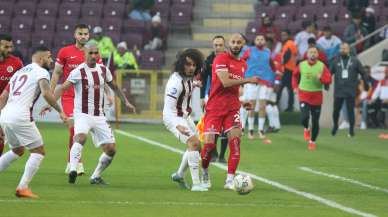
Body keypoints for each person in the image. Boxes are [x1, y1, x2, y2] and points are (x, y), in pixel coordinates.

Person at [50, 41, 135, 185]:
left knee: (111, 150)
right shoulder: (78, 71)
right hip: (82, 114)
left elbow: (114, 86)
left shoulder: (103, 70)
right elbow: (62, 88)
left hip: (99, 116)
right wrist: (51, 103)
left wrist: (125, 101)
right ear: (85, 54)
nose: (94, 56)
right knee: (81, 138)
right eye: (91, 53)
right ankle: (73, 168)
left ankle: (95, 176)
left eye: (96, 53)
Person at [0, 46, 67, 198]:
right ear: (41, 59)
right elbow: (46, 93)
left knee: (18, 150)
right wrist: (60, 111)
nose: (51, 60)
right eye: (49, 57)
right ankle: (22, 187)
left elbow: (3, 97)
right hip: (20, 116)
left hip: (5, 115)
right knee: (39, 152)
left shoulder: (19, 72)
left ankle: (22, 187)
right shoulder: (41, 72)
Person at [200, 33, 259, 190]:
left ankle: (230, 180)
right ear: (229, 44)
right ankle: (204, 172)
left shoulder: (243, 65)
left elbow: (232, 91)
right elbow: (225, 83)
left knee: (235, 143)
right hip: (214, 108)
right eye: (233, 42)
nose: (235, 44)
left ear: (243, 45)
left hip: (232, 108)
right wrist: (248, 80)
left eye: (239, 42)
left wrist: (241, 102)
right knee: (208, 147)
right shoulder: (220, 59)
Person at [51, 24, 96, 175]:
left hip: (86, 97)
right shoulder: (65, 52)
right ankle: (76, 163)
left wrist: (107, 93)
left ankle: (71, 163)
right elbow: (57, 73)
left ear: (88, 36)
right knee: (73, 128)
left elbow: (100, 74)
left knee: (82, 131)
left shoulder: (93, 52)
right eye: (80, 33)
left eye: (86, 34)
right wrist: (50, 93)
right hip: (69, 96)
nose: (83, 36)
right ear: (75, 35)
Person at [163, 48, 208, 192]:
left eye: (194, 65)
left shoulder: (189, 78)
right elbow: (169, 109)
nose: (191, 68)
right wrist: (177, 126)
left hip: (184, 116)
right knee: (193, 143)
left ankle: (179, 175)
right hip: (173, 118)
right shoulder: (175, 83)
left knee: (197, 146)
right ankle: (196, 184)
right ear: (181, 64)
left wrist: (195, 85)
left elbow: (188, 86)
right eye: (188, 64)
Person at [292, 47, 332, 150]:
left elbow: (328, 80)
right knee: (304, 117)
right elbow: (294, 76)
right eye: (311, 52)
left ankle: (312, 141)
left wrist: (321, 78)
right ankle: (306, 128)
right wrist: (295, 87)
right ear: (307, 54)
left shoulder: (322, 66)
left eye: (315, 52)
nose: (313, 54)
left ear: (318, 55)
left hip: (317, 95)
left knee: (315, 120)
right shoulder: (301, 65)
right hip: (304, 94)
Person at [242, 34, 277, 140]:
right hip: (252, 81)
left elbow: (272, 65)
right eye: (258, 39)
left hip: (264, 82)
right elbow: (241, 61)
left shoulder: (268, 52)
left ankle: (261, 130)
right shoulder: (249, 50)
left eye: (262, 39)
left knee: (262, 106)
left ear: (265, 41)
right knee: (251, 105)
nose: (260, 41)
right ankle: (251, 130)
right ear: (255, 41)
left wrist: (274, 76)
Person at [200, 35, 228, 163]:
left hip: (228, 97)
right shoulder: (209, 59)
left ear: (224, 46)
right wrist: (201, 97)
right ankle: (215, 152)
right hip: (212, 97)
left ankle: (222, 155)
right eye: (215, 45)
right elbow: (203, 78)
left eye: (220, 45)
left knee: (227, 127)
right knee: (213, 126)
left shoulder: (230, 59)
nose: (217, 47)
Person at [331, 43, 369, 137]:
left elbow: (363, 72)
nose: (343, 50)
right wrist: (326, 83)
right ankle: (335, 125)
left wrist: (366, 84)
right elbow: (328, 74)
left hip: (350, 90)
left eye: (345, 48)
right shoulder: (336, 61)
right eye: (341, 48)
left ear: (349, 50)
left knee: (350, 110)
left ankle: (351, 129)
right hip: (338, 90)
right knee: (336, 110)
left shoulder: (355, 61)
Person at [0, 34, 23, 156]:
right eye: (6, 47)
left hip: (6, 106)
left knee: (1, 136)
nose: (9, 50)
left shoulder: (16, 63)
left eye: (11, 47)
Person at [278, 29, 298, 112]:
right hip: (290, 69)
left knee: (281, 88)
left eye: (285, 35)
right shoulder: (289, 43)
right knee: (289, 89)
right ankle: (290, 106)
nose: (283, 37)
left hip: (287, 69)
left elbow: (287, 56)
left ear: (288, 35)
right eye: (282, 35)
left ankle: (275, 104)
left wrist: (282, 63)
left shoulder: (289, 43)